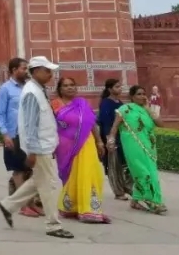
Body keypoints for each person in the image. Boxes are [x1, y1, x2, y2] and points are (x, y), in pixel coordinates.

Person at [0, 56, 73, 240]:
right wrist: (32, 151)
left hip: (44, 144)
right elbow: (30, 124)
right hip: (39, 147)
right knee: (49, 185)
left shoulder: (37, 90)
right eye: (47, 71)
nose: (50, 74)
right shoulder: (32, 92)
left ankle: (8, 205)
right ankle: (53, 225)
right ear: (36, 71)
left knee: (38, 181)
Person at [52, 76, 110, 223]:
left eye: (72, 85)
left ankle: (89, 209)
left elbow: (92, 124)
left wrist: (99, 141)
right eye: (66, 85)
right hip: (64, 146)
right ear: (60, 89)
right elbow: (50, 125)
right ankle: (71, 207)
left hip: (86, 143)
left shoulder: (82, 103)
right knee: (70, 174)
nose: (70, 88)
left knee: (89, 173)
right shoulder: (54, 104)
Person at [108, 85, 166, 214]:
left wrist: (148, 109)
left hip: (149, 147)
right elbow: (115, 127)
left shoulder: (147, 110)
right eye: (139, 94)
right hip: (132, 146)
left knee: (152, 173)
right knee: (142, 172)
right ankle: (151, 201)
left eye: (144, 94)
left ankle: (136, 200)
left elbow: (161, 124)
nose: (142, 96)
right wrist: (110, 140)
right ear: (132, 96)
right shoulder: (125, 109)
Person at [0, 57, 32, 200]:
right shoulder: (5, 89)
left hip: (29, 134)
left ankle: (25, 199)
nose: (27, 71)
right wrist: (5, 135)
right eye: (24, 68)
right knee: (18, 169)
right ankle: (23, 203)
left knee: (30, 168)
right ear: (14, 70)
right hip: (14, 134)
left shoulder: (29, 87)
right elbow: (0, 113)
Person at [98, 79, 130, 200]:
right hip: (111, 137)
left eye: (120, 86)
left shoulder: (119, 102)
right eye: (117, 86)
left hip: (122, 136)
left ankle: (126, 187)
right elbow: (105, 122)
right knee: (114, 165)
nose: (120, 88)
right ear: (110, 89)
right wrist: (109, 140)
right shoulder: (106, 103)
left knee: (123, 164)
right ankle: (118, 191)